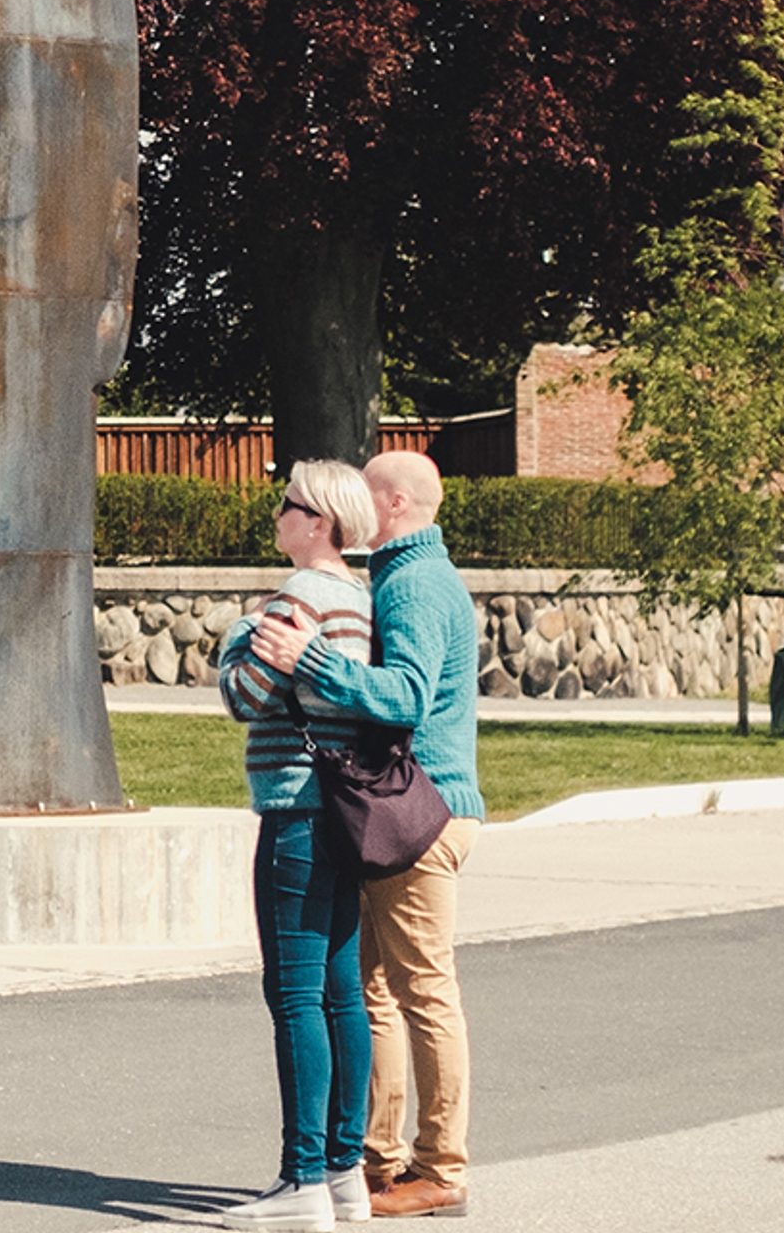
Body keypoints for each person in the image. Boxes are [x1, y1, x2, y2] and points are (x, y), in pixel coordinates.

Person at [259, 449, 484, 1219]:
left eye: (365, 486)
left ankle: (440, 1167)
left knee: (420, 989)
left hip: (420, 813)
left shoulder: (415, 583)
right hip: (408, 808)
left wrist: (312, 657)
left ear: (389, 506)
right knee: (375, 991)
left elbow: (407, 699)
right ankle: (375, 1160)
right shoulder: (402, 578)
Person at [212, 458, 386, 1230]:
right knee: (341, 990)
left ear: (316, 521)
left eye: (286, 504)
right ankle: (346, 1170)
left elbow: (244, 696)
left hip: (296, 809)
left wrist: (239, 634)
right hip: (345, 813)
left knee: (294, 996)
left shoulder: (299, 598)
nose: (275, 513)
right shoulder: (358, 597)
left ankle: (301, 1178)